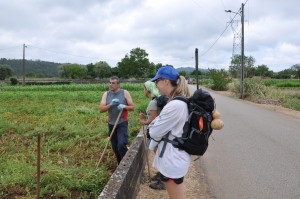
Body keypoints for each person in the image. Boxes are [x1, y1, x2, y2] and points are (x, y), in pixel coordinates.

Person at [148, 66, 190, 199]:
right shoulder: (177, 102)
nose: (156, 86)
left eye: (157, 82)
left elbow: (154, 132)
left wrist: (153, 124)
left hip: (172, 159)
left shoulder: (175, 105)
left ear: (166, 81)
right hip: (174, 156)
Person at [99, 76, 135, 164]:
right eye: (110, 83)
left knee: (121, 145)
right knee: (115, 147)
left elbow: (132, 107)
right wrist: (110, 104)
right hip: (111, 123)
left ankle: (126, 164)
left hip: (122, 122)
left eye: (113, 83)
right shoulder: (106, 94)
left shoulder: (125, 93)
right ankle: (120, 164)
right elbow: (101, 109)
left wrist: (124, 107)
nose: (111, 85)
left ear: (118, 84)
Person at [139, 81, 166, 190]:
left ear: (148, 90)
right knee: (161, 155)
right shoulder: (156, 100)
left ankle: (163, 182)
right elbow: (156, 116)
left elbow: (154, 120)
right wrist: (145, 116)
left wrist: (143, 121)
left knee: (160, 156)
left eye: (144, 88)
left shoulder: (153, 103)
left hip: (156, 134)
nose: (144, 91)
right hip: (161, 133)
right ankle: (161, 175)